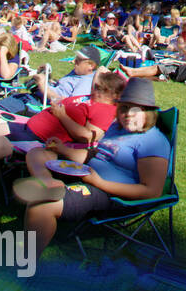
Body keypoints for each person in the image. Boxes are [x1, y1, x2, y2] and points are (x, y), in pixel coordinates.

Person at [12, 76, 172, 251]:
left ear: (148, 113)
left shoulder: (153, 141)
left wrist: (99, 182)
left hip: (112, 194)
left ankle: (26, 263)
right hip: (87, 174)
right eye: (124, 107)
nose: (128, 114)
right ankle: (50, 183)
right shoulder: (116, 127)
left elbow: (151, 191)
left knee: (41, 205)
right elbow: (93, 155)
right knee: (38, 153)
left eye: (136, 109)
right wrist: (63, 150)